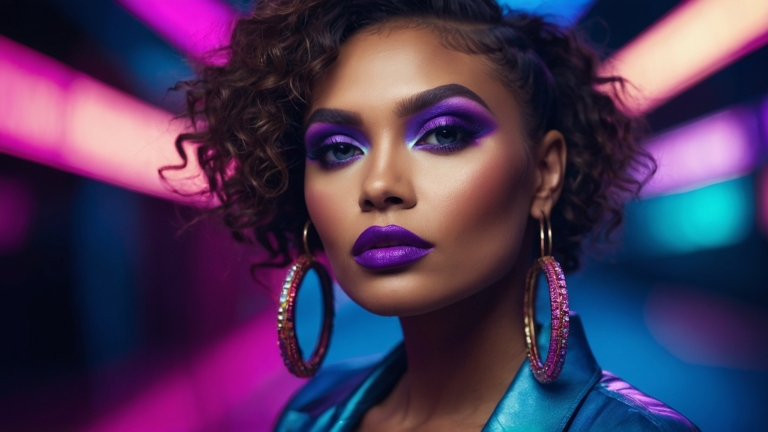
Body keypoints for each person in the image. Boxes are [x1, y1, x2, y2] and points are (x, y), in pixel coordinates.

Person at [168, 0, 701, 430]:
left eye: (443, 134)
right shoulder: (310, 416)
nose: (378, 186)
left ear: (544, 173)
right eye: (337, 149)